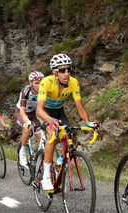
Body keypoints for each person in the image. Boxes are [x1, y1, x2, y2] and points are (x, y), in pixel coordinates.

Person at [37, 53, 97, 191]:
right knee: (52, 134)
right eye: (63, 70)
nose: (67, 73)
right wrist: (50, 120)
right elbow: (39, 110)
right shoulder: (46, 82)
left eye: (69, 69)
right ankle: (46, 176)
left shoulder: (73, 83)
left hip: (59, 111)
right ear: (55, 72)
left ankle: (59, 163)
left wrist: (88, 122)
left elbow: (79, 106)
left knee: (69, 136)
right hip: (45, 112)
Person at [15, 71, 44, 168]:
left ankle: (41, 155)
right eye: (36, 83)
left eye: (41, 82)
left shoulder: (44, 90)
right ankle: (22, 152)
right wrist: (27, 121)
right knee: (28, 128)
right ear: (31, 83)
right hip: (21, 113)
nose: (39, 85)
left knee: (41, 134)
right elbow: (22, 110)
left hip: (33, 114)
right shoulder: (26, 91)